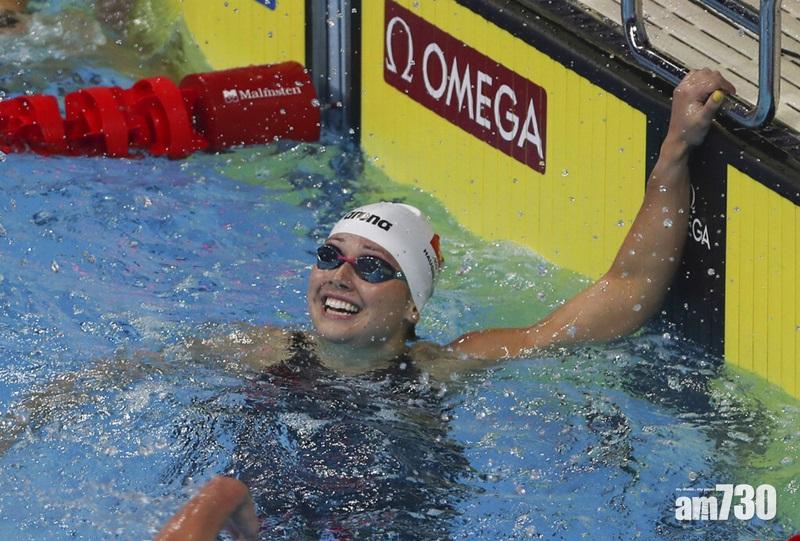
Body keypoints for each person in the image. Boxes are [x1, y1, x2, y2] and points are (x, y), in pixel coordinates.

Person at [158, 67, 736, 539]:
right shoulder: (258, 351)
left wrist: (675, 148)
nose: (340, 276)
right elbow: (130, 372)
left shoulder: (439, 368)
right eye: (330, 256)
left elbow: (624, 293)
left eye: (372, 266)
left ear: (412, 306)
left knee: (221, 494)